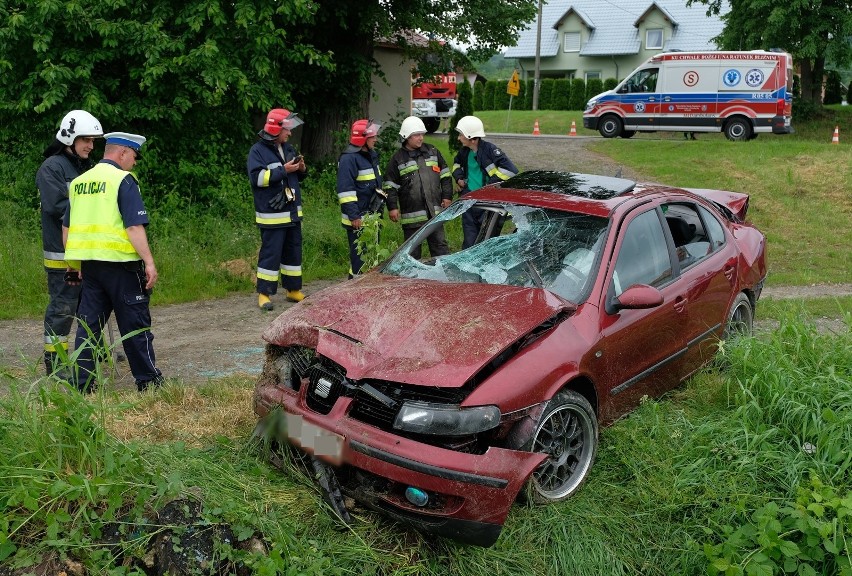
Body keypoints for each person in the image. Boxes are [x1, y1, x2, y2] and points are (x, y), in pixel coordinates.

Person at [63, 132, 162, 393]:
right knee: (135, 326)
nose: (135, 163)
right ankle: (149, 383)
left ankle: (83, 386)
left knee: (88, 328)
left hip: (91, 267)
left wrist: (73, 264)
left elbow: (66, 228)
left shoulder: (79, 183)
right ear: (122, 154)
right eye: (133, 156)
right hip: (122, 266)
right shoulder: (123, 180)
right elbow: (133, 226)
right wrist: (149, 262)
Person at [36, 110, 104, 378]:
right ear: (69, 138)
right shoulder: (51, 168)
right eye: (85, 140)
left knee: (91, 305)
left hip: (86, 250)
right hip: (61, 255)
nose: (90, 145)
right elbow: (57, 206)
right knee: (63, 309)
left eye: (92, 141)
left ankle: (92, 351)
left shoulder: (83, 166)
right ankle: (57, 364)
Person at [247, 108, 308, 310]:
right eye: (287, 130)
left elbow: (296, 178)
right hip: (272, 215)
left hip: (291, 212)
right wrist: (284, 170)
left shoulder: (288, 149)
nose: (289, 133)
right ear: (275, 129)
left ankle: (293, 290)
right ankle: (264, 294)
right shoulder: (257, 151)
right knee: (270, 254)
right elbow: (257, 178)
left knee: (293, 252)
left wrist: (301, 169)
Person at [383, 116, 453, 259]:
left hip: (435, 214)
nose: (421, 138)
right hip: (412, 218)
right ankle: (412, 280)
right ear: (406, 136)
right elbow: (390, 185)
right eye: (416, 135)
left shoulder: (433, 151)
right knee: (412, 253)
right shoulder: (397, 159)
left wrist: (447, 196)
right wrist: (392, 207)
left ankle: (442, 279)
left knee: (440, 248)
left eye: (422, 134)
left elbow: (445, 175)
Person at [452, 115, 518, 248]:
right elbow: (456, 164)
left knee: (486, 243)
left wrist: (489, 186)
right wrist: (459, 178)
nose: (458, 138)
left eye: (461, 135)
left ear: (472, 138)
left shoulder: (490, 150)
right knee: (469, 242)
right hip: (469, 202)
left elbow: (511, 170)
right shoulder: (464, 152)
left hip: (487, 204)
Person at [336, 118, 383, 277]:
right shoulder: (349, 159)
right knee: (360, 259)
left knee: (370, 257)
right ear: (362, 138)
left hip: (371, 217)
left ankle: (357, 284)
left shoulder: (370, 155)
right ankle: (356, 290)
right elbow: (345, 190)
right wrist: (354, 216)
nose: (375, 139)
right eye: (372, 137)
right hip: (358, 219)